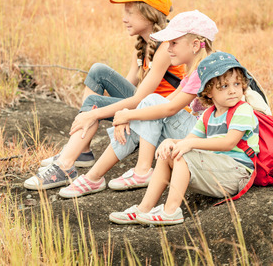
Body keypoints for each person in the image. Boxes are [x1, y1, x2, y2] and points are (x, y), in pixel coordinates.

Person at [24, 0, 186, 190]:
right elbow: (130, 87)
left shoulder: (165, 47)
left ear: (149, 14)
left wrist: (96, 114)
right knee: (98, 71)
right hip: (145, 105)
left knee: (93, 105)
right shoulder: (144, 43)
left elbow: (137, 100)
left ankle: (64, 166)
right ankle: (81, 149)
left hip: (160, 117)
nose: (124, 18)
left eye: (129, 12)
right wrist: (118, 113)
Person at [58, 10, 219, 198]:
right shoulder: (196, 69)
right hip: (196, 135)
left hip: (206, 140)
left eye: (174, 43)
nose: (168, 49)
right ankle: (93, 177)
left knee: (149, 103)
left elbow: (171, 108)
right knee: (147, 106)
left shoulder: (205, 68)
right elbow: (169, 100)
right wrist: (132, 114)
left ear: (195, 45)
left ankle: (140, 171)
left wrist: (128, 115)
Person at [109, 51, 259, 225]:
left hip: (237, 172)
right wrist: (170, 142)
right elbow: (189, 139)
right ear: (208, 91)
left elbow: (229, 142)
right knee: (170, 153)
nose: (233, 90)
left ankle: (171, 210)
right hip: (217, 170)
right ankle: (144, 208)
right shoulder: (208, 114)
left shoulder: (243, 109)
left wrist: (187, 144)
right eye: (224, 86)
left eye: (237, 84)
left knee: (183, 154)